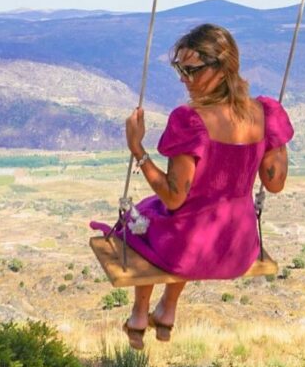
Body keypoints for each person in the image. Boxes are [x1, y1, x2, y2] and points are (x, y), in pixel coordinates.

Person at [117, 23, 293, 349]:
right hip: (239, 250)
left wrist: (137, 149)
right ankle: (167, 310)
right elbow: (275, 183)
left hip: (190, 251)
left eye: (190, 70)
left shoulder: (190, 121)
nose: (183, 78)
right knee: (180, 221)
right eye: (179, 69)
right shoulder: (266, 113)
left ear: (221, 69)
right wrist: (275, 137)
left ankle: (140, 314)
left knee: (145, 216)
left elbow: (173, 197)